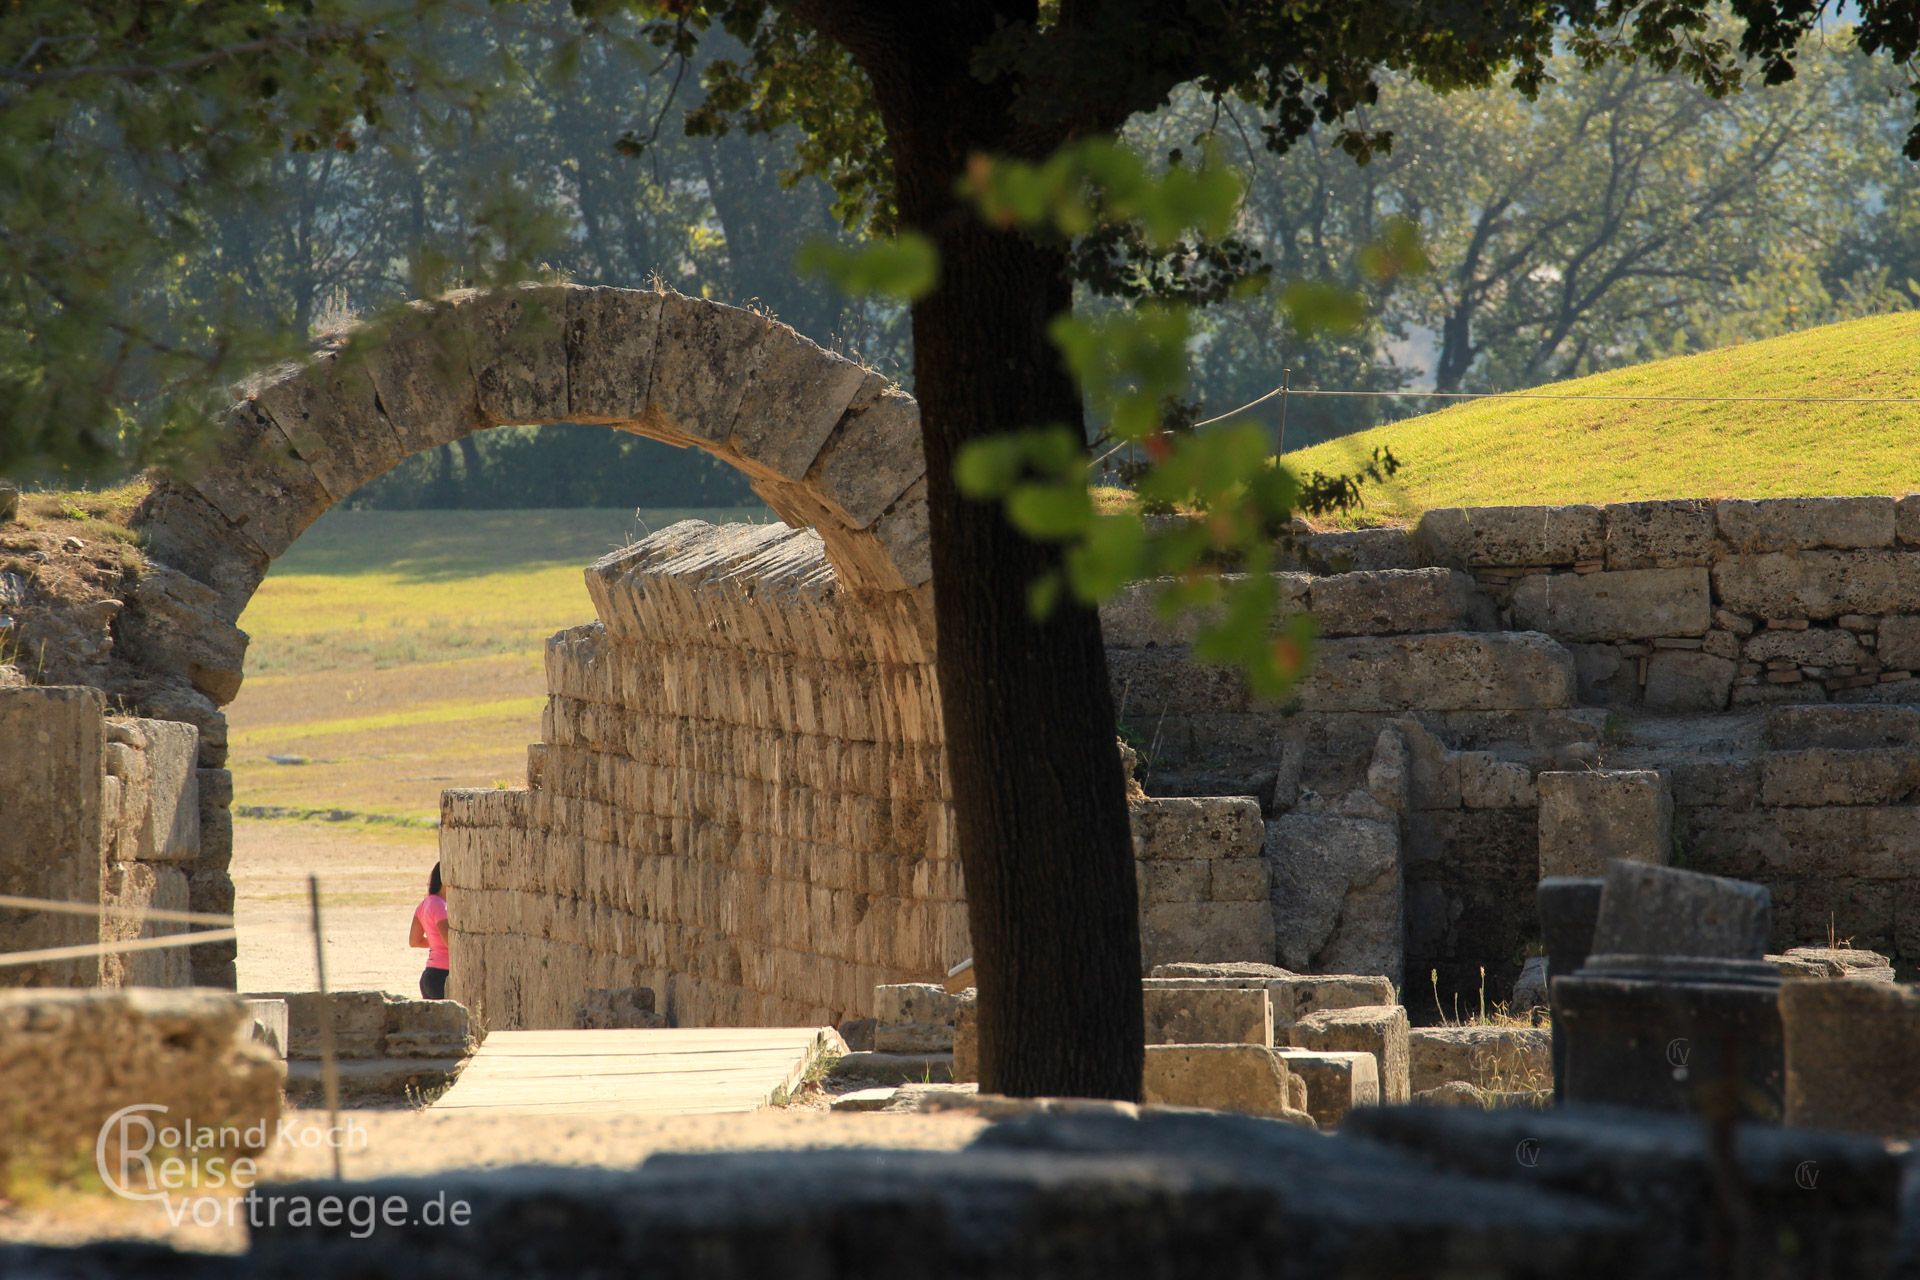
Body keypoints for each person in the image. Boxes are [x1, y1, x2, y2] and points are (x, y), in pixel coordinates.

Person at [409, 862, 449, 999]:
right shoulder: (440, 905)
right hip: (444, 976)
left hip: (429, 976)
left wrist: (435, 941)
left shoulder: (424, 904)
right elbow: (450, 941)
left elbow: (414, 941)